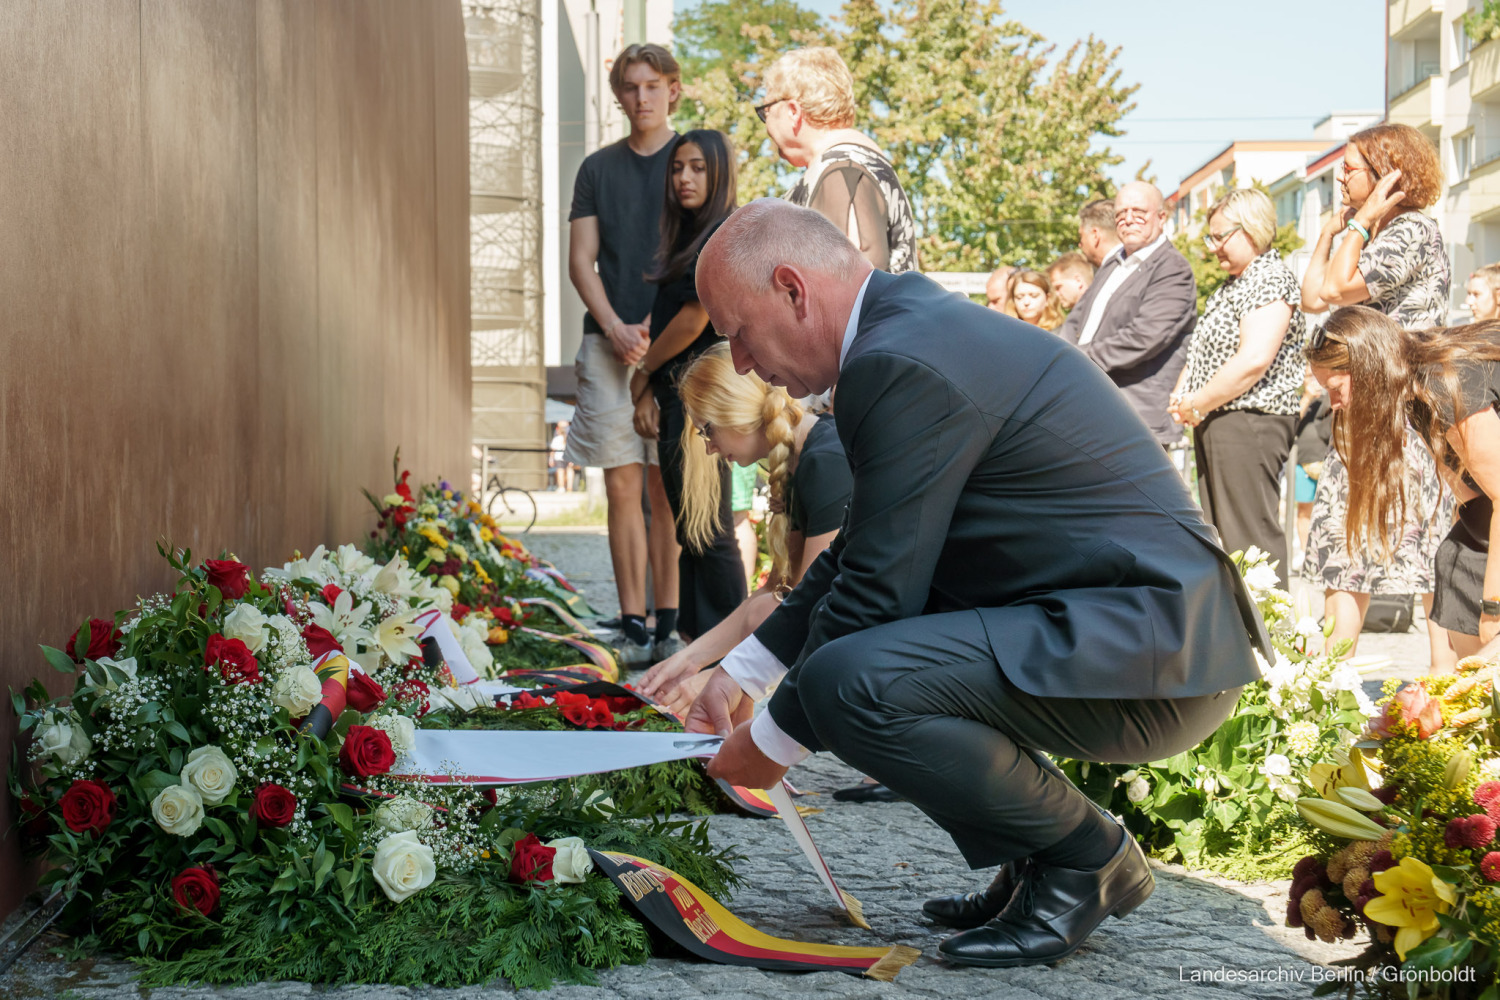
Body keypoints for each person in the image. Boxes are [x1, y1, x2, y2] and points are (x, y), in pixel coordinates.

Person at [687, 200, 1267, 968]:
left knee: (849, 681)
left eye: (738, 333)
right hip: (1133, 632)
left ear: (794, 289)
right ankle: (1036, 851)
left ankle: (1085, 858)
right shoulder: (908, 333)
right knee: (859, 670)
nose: (746, 364)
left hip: (1151, 650)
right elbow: (864, 547)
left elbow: (872, 596)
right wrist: (744, 670)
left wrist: (770, 743)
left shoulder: (894, 359)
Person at [1299, 122, 1453, 666]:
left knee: (1424, 541)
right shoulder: (1379, 235)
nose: (1341, 176)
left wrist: (1359, 225)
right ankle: (1327, 685)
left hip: (1403, 412)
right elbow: (1315, 297)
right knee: (1344, 544)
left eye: (1351, 167)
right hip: (1363, 410)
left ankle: (1445, 680)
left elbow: (1340, 289)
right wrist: (1331, 234)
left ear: (1389, 174)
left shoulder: (1411, 231)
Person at [638, 342, 852, 715]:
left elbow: (811, 608)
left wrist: (718, 678)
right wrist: (688, 661)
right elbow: (778, 591)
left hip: (886, 631)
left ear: (733, 412)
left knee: (762, 623)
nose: (708, 448)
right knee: (761, 611)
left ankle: (747, 761)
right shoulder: (805, 455)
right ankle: (733, 758)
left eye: (706, 430)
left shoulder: (825, 461)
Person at [565, 43, 683, 665]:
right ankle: (632, 622)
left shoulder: (689, 160)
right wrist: (613, 325)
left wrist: (656, 331)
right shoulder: (596, 169)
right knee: (621, 486)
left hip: (673, 342)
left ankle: (671, 620)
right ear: (618, 95)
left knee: (666, 489)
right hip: (607, 342)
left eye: (653, 85)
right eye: (631, 87)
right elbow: (579, 259)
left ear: (673, 90)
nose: (642, 97)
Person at [1307, 307, 1500, 661]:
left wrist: (1493, 607)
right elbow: (1469, 500)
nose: (1334, 404)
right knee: (1454, 558)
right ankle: (1472, 694)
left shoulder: (1443, 381)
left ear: (1369, 368)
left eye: (1336, 388)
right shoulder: (1411, 390)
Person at [629, 130, 746, 646]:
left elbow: (693, 320)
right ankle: (701, 647)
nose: (684, 178)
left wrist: (640, 375)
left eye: (697, 167)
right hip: (682, 395)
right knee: (693, 529)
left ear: (718, 173)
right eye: (678, 168)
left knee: (710, 530)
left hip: (702, 399)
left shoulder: (720, 232)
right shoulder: (688, 234)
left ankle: (726, 655)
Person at [1168, 189, 1306, 582]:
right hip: (1220, 417)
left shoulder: (1270, 278)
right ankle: (1241, 638)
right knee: (1225, 539)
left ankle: (1271, 637)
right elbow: (1202, 353)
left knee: (1250, 539)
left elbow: (1253, 360)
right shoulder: (1234, 284)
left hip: (1250, 420)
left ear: (1252, 229)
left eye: (1219, 236)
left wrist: (1196, 402)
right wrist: (1184, 397)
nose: (1213, 248)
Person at [1059, 182, 1197, 447]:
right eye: (1121, 213)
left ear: (1161, 217)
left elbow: (1144, 336)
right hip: (1091, 406)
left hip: (1136, 417)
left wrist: (1077, 360)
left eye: (1139, 211)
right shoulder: (1114, 263)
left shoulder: (1172, 269)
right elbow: (1077, 321)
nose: (1128, 219)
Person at [759, 46, 918, 273]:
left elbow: (853, 281)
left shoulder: (842, 169)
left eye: (765, 110)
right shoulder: (854, 163)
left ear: (793, 111)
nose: (765, 124)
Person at [1076, 198, 1120, 268]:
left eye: (1081, 236)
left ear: (1095, 235)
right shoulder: (1139, 267)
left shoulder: (1110, 275)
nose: (1080, 244)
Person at [549, 421, 574, 492]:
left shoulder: (556, 439)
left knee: (560, 472)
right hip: (569, 457)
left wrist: (551, 459)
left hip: (559, 457)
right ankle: (569, 487)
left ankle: (561, 487)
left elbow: (553, 450)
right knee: (569, 471)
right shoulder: (570, 439)